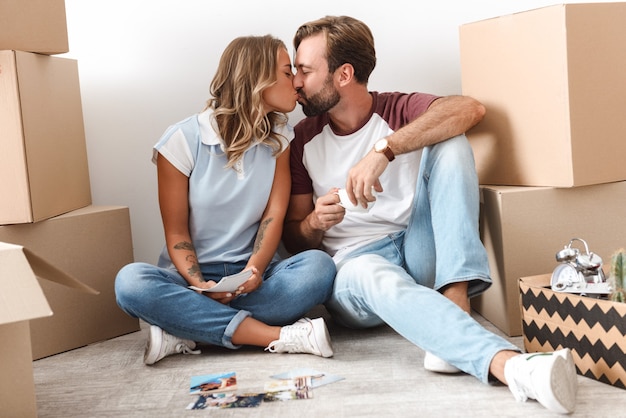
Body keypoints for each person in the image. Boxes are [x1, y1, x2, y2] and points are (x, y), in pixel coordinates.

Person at [282, 15, 578, 414]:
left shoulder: (397, 109)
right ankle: (514, 367)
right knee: (370, 274)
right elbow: (295, 239)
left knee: (451, 141)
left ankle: (456, 305)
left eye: (305, 70)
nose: (296, 80)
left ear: (343, 74)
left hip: (418, 248)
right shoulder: (302, 139)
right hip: (357, 267)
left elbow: (468, 109)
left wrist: (383, 150)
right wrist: (315, 222)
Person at [115, 35, 336, 365]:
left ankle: (186, 328)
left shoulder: (280, 137)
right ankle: (274, 336)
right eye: (287, 72)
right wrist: (201, 285)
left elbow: (273, 216)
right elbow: (176, 234)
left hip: (254, 277)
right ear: (257, 77)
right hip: (190, 282)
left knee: (319, 267)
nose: (297, 82)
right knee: (130, 283)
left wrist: (254, 271)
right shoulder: (180, 141)